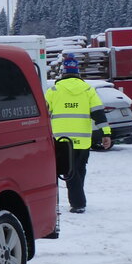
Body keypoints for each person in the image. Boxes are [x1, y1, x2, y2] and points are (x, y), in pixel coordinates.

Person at [45, 55, 112, 213]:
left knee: (60, 171)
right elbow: (99, 114)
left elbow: (44, 114)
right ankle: (78, 202)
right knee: (78, 170)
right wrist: (106, 134)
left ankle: (57, 204)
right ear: (77, 72)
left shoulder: (53, 90)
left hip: (60, 140)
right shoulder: (88, 90)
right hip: (82, 140)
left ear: (63, 72)